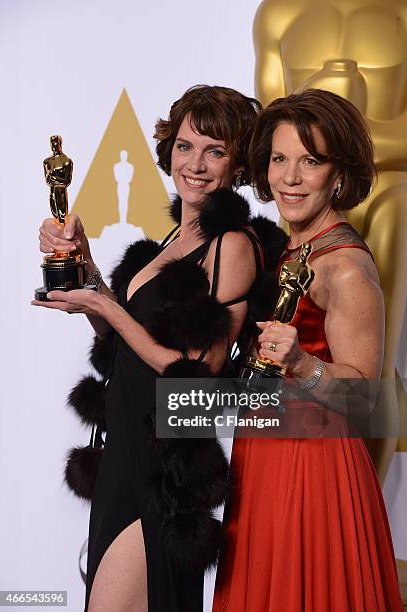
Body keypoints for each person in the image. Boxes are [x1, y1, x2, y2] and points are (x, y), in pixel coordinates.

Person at [32, 85, 287, 612]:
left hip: (162, 468)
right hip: (124, 448)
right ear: (169, 148)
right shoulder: (174, 240)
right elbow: (124, 341)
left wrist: (108, 311)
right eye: (186, 146)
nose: (195, 163)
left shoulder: (232, 245)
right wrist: (86, 267)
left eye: (215, 151)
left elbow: (199, 369)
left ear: (237, 166)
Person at [213, 89, 403, 611]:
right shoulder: (287, 245)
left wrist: (303, 363)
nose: (290, 178)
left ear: (337, 173)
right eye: (279, 159)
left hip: (314, 467)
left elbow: (367, 399)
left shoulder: (346, 267)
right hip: (264, 453)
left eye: (310, 161)